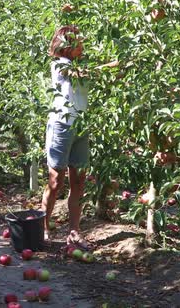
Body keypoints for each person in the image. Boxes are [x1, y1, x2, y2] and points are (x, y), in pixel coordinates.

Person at [41, 25, 118, 249]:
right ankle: (43, 226)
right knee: (56, 181)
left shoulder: (79, 65)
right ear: (67, 45)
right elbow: (81, 75)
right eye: (78, 42)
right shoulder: (59, 65)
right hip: (61, 126)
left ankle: (74, 232)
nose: (82, 46)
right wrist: (113, 65)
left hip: (82, 127)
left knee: (79, 182)